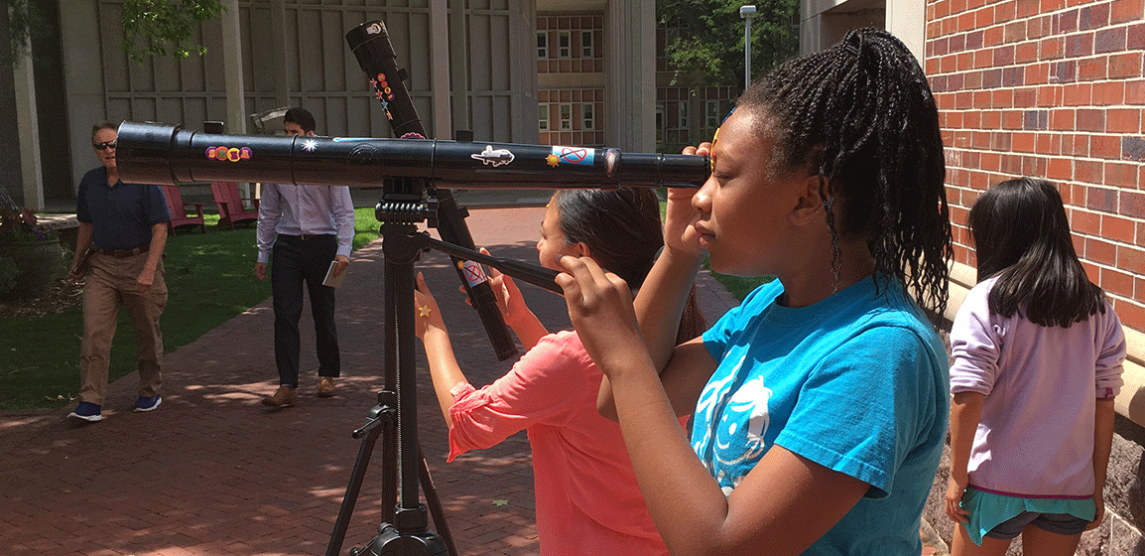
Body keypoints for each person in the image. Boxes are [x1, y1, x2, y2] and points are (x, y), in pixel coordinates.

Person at [555, 28, 953, 555]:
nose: (699, 197)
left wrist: (624, 353)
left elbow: (717, 546)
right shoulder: (770, 304)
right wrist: (676, 256)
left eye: (722, 176)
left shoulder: (879, 350)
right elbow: (619, 401)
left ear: (809, 198)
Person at [412, 189, 703, 556]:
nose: (537, 245)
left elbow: (467, 423)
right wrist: (521, 320)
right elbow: (579, 392)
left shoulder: (569, 356)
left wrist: (431, 330)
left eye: (545, 235)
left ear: (579, 254)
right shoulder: (666, 328)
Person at [942, 177, 1126, 555]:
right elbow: (1105, 404)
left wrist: (956, 476)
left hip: (995, 486)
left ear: (1000, 235)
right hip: (1069, 490)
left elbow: (968, 395)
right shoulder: (1098, 309)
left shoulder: (987, 300)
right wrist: (1096, 486)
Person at [68, 121, 172, 422]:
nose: (108, 150)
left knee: (147, 332)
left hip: (139, 261)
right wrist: (78, 261)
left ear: (123, 146)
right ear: (94, 150)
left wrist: (149, 271)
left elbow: (160, 229)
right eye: (101, 146)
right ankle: (90, 401)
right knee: (94, 334)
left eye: (113, 144)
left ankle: (149, 391)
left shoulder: (144, 181)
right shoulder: (90, 182)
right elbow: (86, 225)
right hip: (102, 265)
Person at [257, 107, 355, 404]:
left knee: (323, 312)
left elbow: (344, 211)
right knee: (285, 315)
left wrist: (344, 251)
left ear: (309, 134)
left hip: (323, 246)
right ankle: (287, 384)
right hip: (287, 247)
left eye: (294, 133)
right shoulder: (277, 167)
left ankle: (328, 375)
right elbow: (269, 211)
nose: (288, 138)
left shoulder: (328, 165)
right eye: (285, 132)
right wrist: (263, 253)